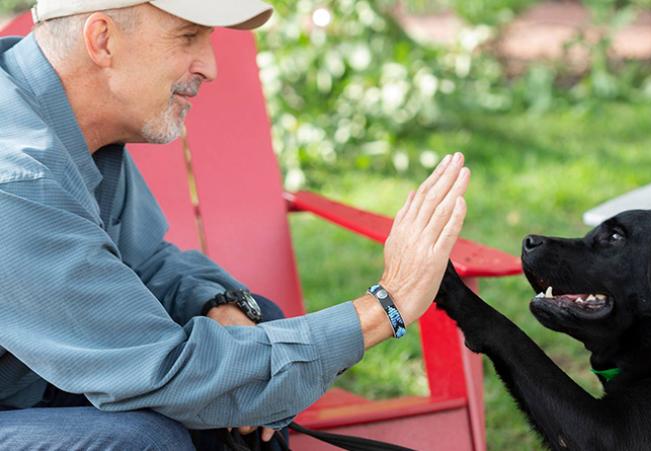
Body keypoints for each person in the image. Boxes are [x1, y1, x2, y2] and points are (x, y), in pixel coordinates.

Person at [0, 1, 470, 449]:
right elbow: (164, 369)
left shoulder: (69, 122)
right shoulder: (17, 178)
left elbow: (148, 263)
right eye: (187, 37)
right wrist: (384, 307)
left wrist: (220, 303)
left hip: (32, 385)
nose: (210, 66)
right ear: (102, 40)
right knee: (144, 440)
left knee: (249, 330)